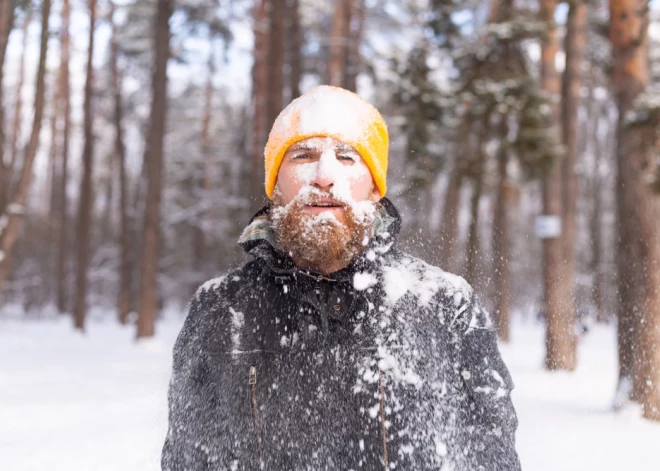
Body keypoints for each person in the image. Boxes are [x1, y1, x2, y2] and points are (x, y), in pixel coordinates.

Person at [161, 85, 521, 470]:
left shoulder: (445, 304)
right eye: (303, 155)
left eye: (347, 157)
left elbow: (491, 458)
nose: (324, 176)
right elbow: (188, 459)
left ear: (374, 187)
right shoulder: (220, 309)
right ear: (276, 183)